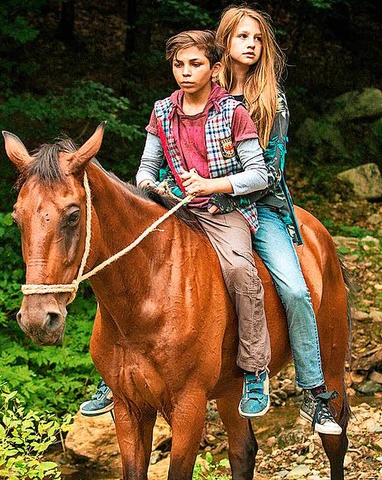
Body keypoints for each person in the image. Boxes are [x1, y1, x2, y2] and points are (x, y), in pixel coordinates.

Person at [81, 29, 272, 419]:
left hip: (222, 211)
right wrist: (150, 185)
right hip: (175, 208)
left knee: (239, 270)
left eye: (196, 64)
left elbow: (259, 175)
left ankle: (254, 369)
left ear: (215, 68)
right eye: (178, 65)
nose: (186, 72)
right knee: (125, 269)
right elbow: (146, 167)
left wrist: (211, 184)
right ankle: (112, 375)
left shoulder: (232, 112)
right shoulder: (163, 110)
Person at [214, 5, 341, 435]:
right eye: (242, 37)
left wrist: (221, 187)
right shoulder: (204, 89)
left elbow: (270, 170)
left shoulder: (273, 98)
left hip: (261, 207)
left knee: (296, 289)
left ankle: (313, 393)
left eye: (257, 39)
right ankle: (112, 379)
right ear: (226, 41)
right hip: (204, 208)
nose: (250, 45)